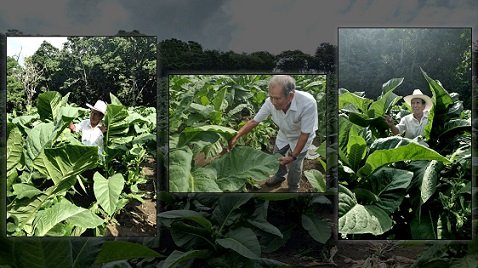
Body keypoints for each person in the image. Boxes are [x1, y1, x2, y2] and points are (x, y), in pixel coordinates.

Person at [228, 75, 318, 192]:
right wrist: (237, 136)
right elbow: (254, 121)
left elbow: (304, 134)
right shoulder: (270, 102)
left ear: (290, 96)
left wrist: (292, 156)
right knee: (277, 155)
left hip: (301, 138)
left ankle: (293, 187)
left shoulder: (308, 103)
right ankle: (279, 176)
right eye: (271, 97)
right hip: (284, 134)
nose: (274, 102)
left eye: (277, 98)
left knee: (294, 166)